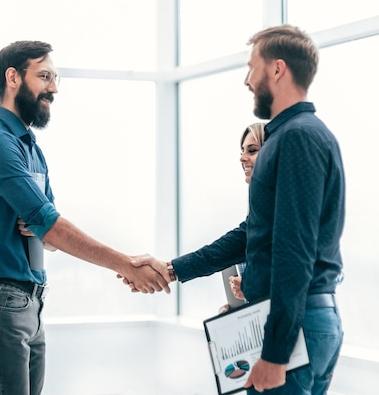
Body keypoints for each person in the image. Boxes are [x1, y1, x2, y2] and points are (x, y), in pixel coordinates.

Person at [132, 25, 345, 395]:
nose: (247, 80)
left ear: (277, 69)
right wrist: (172, 269)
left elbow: (294, 250)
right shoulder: (295, 136)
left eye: (252, 67)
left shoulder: (296, 138)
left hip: (295, 327)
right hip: (302, 321)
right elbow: (251, 235)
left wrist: (276, 354)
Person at [0, 40, 171, 395]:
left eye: (55, 78)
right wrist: (126, 264)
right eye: (44, 76)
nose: (54, 88)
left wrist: (44, 226)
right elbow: (50, 227)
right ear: (13, 78)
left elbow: (47, 228)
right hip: (1, 301)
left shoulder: (31, 149)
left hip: (31, 301)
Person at [218, 122, 265, 314]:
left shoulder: (291, 206)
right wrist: (237, 308)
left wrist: (252, 285)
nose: (242, 158)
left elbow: (326, 274)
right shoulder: (256, 207)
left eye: (252, 150)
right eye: (242, 151)